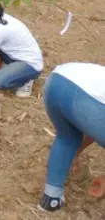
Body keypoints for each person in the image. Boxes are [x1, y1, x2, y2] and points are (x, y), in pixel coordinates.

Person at [38, 62, 105, 211]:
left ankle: (51, 199)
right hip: (89, 102)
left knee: (66, 138)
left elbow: (94, 126)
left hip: (57, 81)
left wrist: (76, 152)